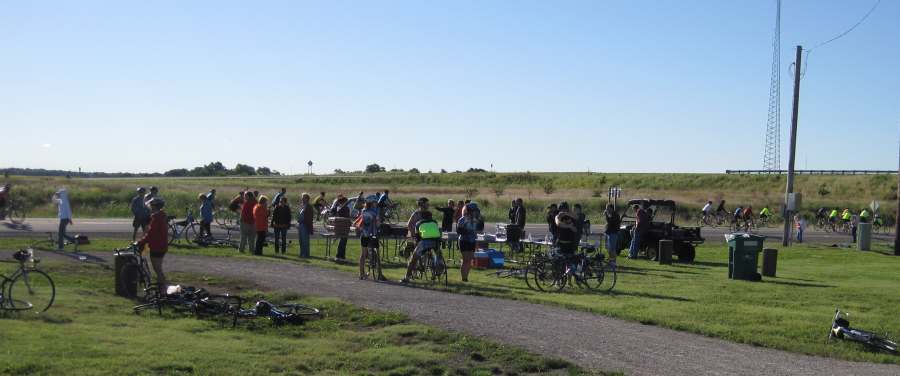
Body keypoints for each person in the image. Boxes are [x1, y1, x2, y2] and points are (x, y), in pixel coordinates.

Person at [136, 198, 169, 287]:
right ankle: (160, 284)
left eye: (151, 206)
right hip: (161, 245)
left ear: (154, 207)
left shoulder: (157, 218)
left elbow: (151, 234)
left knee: (157, 269)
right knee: (158, 268)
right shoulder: (161, 216)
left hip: (157, 246)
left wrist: (141, 242)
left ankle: (163, 288)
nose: (150, 207)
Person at [402, 210, 442, 283]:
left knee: (413, 259)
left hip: (425, 242)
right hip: (436, 242)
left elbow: (417, 236)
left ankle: (407, 277)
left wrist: (417, 243)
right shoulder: (435, 222)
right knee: (438, 255)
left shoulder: (419, 223)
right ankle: (438, 269)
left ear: (422, 217)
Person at [358, 195, 385, 280]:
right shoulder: (374, 212)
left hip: (364, 234)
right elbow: (378, 224)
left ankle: (361, 274)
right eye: (375, 202)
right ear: (372, 203)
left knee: (363, 254)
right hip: (373, 234)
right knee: (377, 253)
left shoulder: (363, 211)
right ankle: (380, 274)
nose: (376, 204)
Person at [456, 202, 483, 282]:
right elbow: (458, 231)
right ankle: (463, 278)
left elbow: (480, 228)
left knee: (470, 260)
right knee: (465, 260)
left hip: (472, 241)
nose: (476, 211)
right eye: (475, 210)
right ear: (470, 210)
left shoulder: (476, 219)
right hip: (463, 241)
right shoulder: (462, 219)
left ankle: (466, 277)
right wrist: (468, 232)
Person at [297, 193, 314, 258]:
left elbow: (310, 217)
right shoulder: (302, 206)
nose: (302, 199)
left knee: (305, 241)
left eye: (303, 197)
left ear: (307, 198)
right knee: (300, 240)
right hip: (300, 224)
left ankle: (306, 254)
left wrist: (307, 223)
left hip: (305, 225)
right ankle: (301, 253)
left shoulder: (309, 206)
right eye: (302, 197)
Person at [334, 196, 351, 260]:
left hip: (340, 227)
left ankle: (340, 255)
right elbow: (347, 218)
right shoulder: (346, 208)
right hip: (345, 227)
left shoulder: (338, 208)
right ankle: (340, 255)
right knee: (343, 242)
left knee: (342, 242)